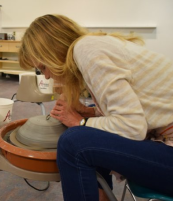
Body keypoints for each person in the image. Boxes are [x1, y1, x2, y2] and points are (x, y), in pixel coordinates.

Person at [19, 14, 173, 201]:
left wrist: (80, 121)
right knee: (90, 136)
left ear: (54, 52)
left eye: (43, 68)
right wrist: (91, 113)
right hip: (164, 137)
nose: (47, 77)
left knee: (74, 143)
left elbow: (132, 127)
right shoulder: (93, 45)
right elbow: (133, 108)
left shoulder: (87, 50)